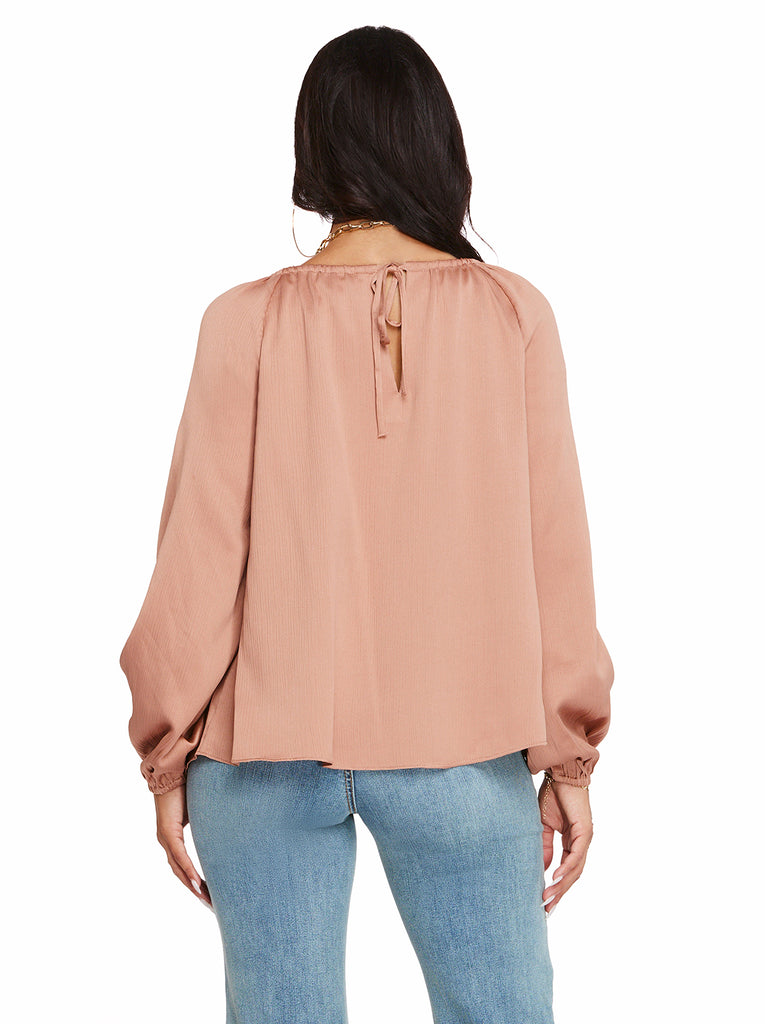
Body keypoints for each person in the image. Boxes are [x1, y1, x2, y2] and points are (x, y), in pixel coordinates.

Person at [118, 24, 614, 1024]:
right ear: (438, 143)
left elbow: (199, 559)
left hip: (260, 752)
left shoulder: (244, 320)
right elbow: (553, 553)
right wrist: (569, 755)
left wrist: (165, 753)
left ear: (314, 147)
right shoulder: (514, 314)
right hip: (465, 749)